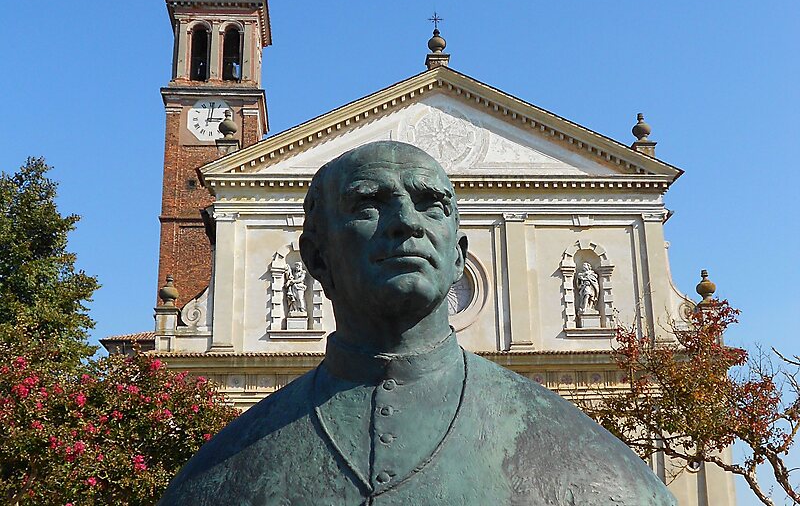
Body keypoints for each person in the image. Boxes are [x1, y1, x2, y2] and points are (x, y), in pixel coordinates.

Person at [159, 141, 677, 505]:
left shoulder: (604, 471)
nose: (407, 221)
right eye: (368, 204)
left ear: (459, 257)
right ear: (315, 259)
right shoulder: (215, 477)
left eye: (432, 204)